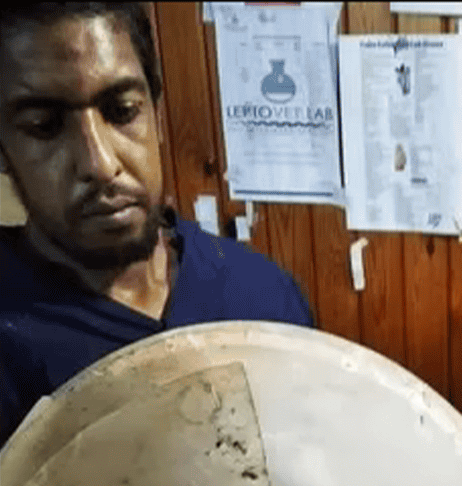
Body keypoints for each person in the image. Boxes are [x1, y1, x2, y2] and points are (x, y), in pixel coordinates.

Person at [0, 1, 313, 444]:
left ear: (157, 112)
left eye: (123, 111)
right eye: (44, 126)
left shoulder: (262, 299)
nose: (100, 163)